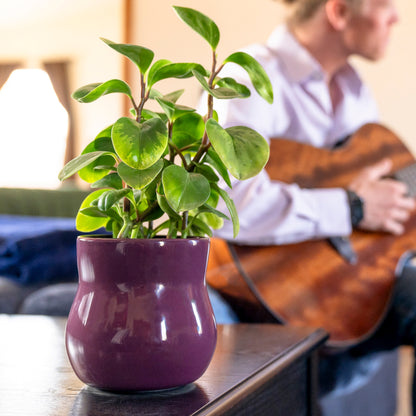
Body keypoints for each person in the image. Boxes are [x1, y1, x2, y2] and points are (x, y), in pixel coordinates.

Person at [210, 0, 416, 413]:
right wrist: (351, 207)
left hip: (339, 292)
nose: (397, 16)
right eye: (384, 4)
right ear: (339, 12)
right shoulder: (250, 73)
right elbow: (223, 202)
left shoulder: (356, 91)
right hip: (253, 288)